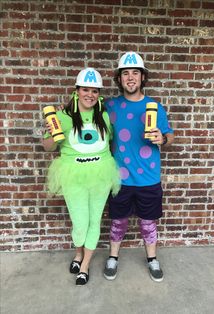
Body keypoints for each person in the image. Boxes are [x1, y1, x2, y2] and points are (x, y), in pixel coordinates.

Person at [42, 68, 120, 286]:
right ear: (77, 91)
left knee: (95, 220)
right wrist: (49, 131)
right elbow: (48, 147)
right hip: (73, 174)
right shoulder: (62, 117)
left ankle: (84, 265)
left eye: (95, 91)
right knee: (79, 222)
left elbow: (109, 141)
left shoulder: (103, 115)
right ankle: (78, 253)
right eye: (86, 89)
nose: (90, 95)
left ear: (99, 94)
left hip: (101, 174)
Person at [103, 52, 174, 282]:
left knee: (148, 222)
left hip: (148, 178)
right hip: (119, 178)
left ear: (143, 77)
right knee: (118, 221)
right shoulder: (109, 106)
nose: (130, 78)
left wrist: (162, 139)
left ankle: (152, 259)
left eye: (135, 73)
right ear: (119, 78)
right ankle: (113, 257)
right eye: (125, 73)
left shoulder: (154, 106)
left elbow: (170, 136)